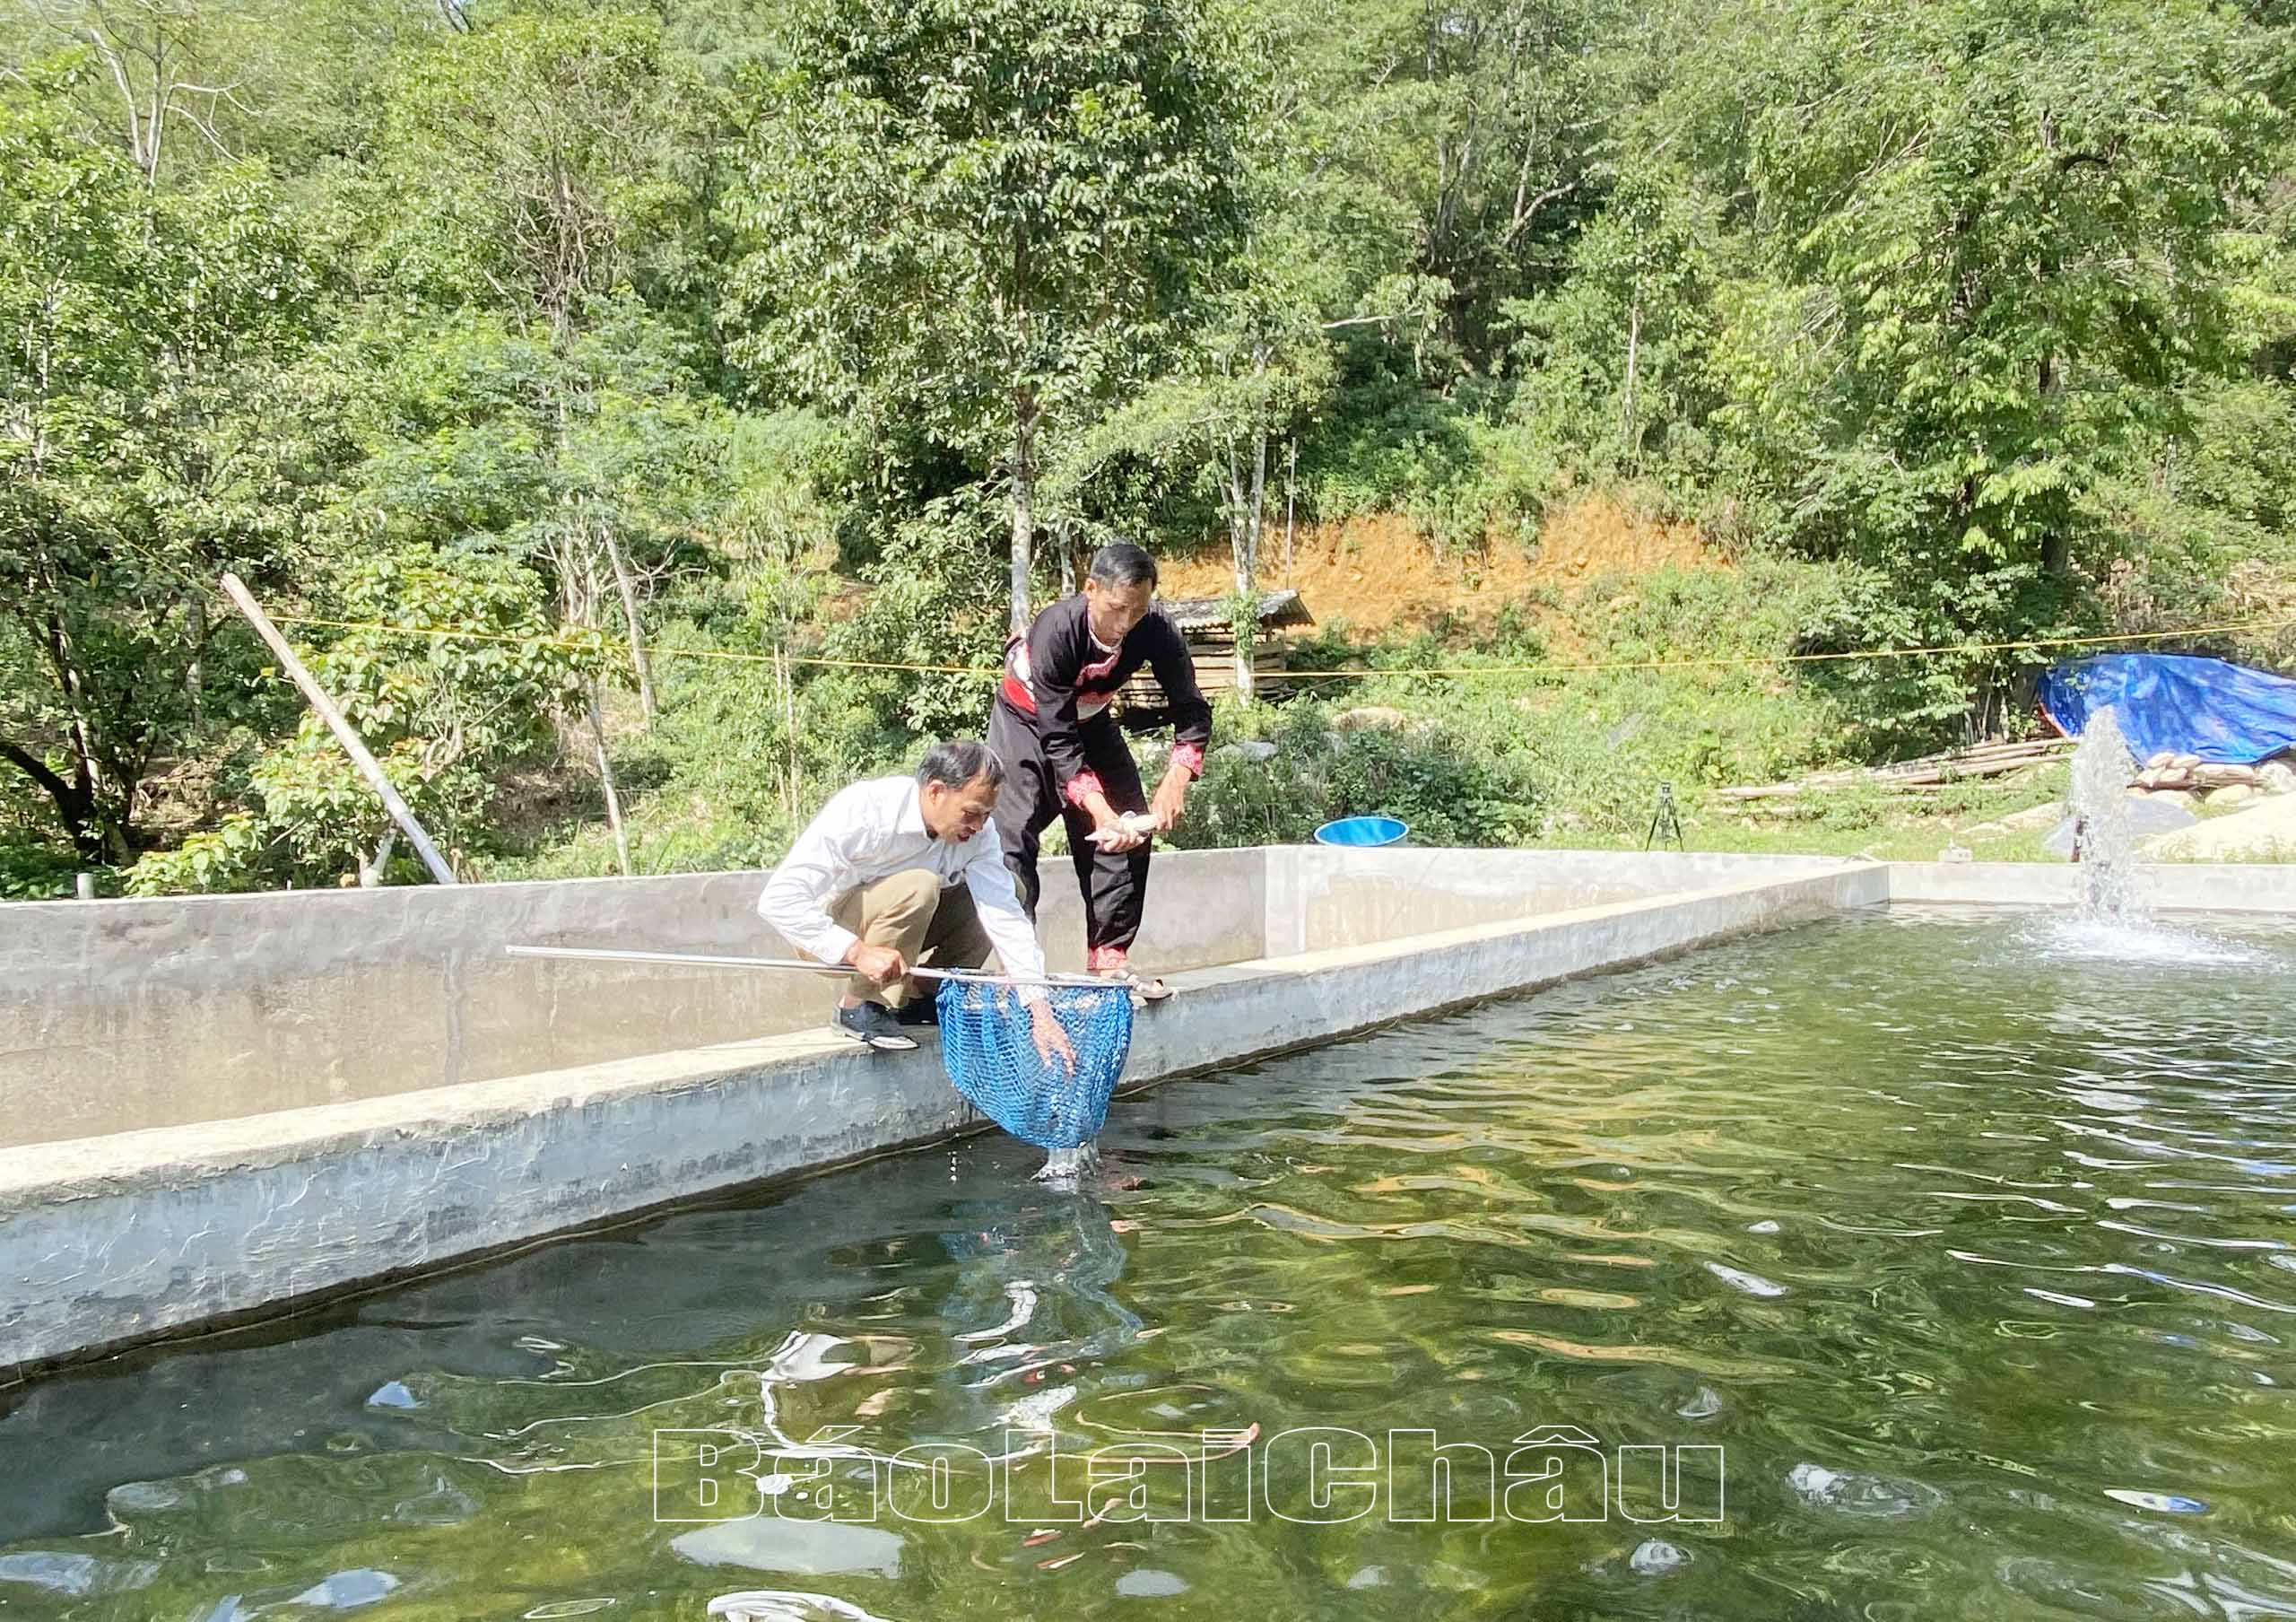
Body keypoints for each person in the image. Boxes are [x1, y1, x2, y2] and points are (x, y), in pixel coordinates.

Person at [987, 542, 1211, 999]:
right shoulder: (1057, 628)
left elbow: (1191, 709)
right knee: (1012, 836)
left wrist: (1176, 777)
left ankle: (1109, 959)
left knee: (1130, 823)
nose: (1124, 624)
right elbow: (1058, 739)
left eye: (1137, 611)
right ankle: (1020, 970)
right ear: (1090, 589)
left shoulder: (1155, 628)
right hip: (1027, 722)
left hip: (1092, 722)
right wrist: (1096, 810)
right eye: (1115, 609)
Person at [759, 740, 1073, 1062]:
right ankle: (858, 1006)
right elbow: (779, 900)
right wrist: (857, 951)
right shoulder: (866, 808)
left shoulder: (980, 834)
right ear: (935, 791)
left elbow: (1003, 915)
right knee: (919, 885)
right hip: (833, 939)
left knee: (1012, 890)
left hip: (908, 929)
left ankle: (922, 998)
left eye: (986, 815)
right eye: (971, 814)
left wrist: (1039, 1010)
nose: (978, 827)